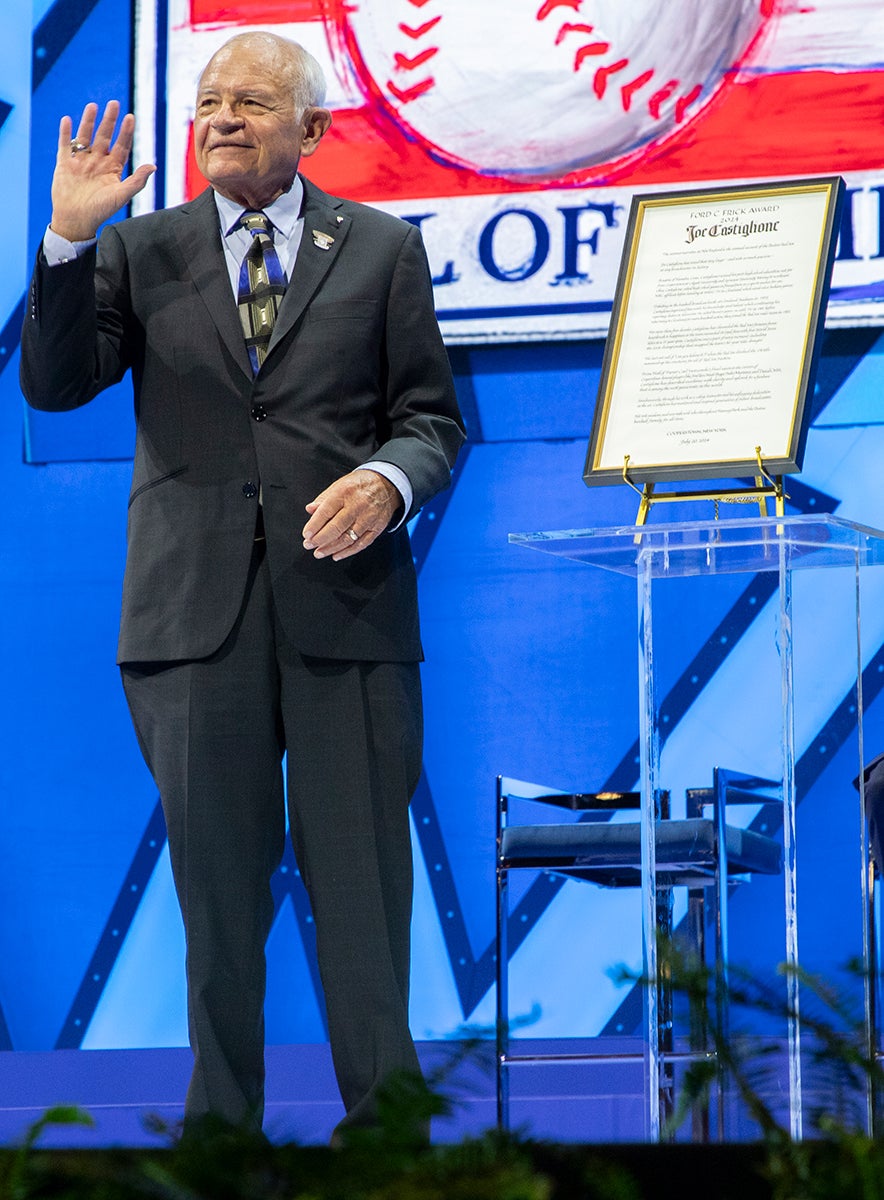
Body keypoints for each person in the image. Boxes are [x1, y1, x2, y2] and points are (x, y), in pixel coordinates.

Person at [20, 31, 464, 1139]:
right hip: (190, 619)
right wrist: (72, 240)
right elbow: (56, 381)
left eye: (252, 101)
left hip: (345, 611)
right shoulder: (142, 250)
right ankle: (222, 1134)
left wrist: (385, 481)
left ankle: (389, 1135)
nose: (221, 116)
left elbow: (431, 421)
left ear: (310, 130)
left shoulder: (378, 249)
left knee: (360, 888)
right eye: (209, 100)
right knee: (216, 899)